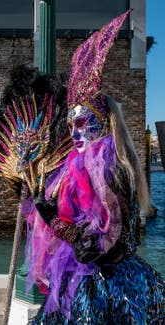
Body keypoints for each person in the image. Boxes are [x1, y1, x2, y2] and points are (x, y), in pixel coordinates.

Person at [25, 10, 165, 325]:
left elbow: (100, 247)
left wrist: (53, 219)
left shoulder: (110, 169)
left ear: (99, 122)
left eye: (81, 123)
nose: (74, 133)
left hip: (108, 287)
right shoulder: (77, 167)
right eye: (70, 124)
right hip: (82, 280)